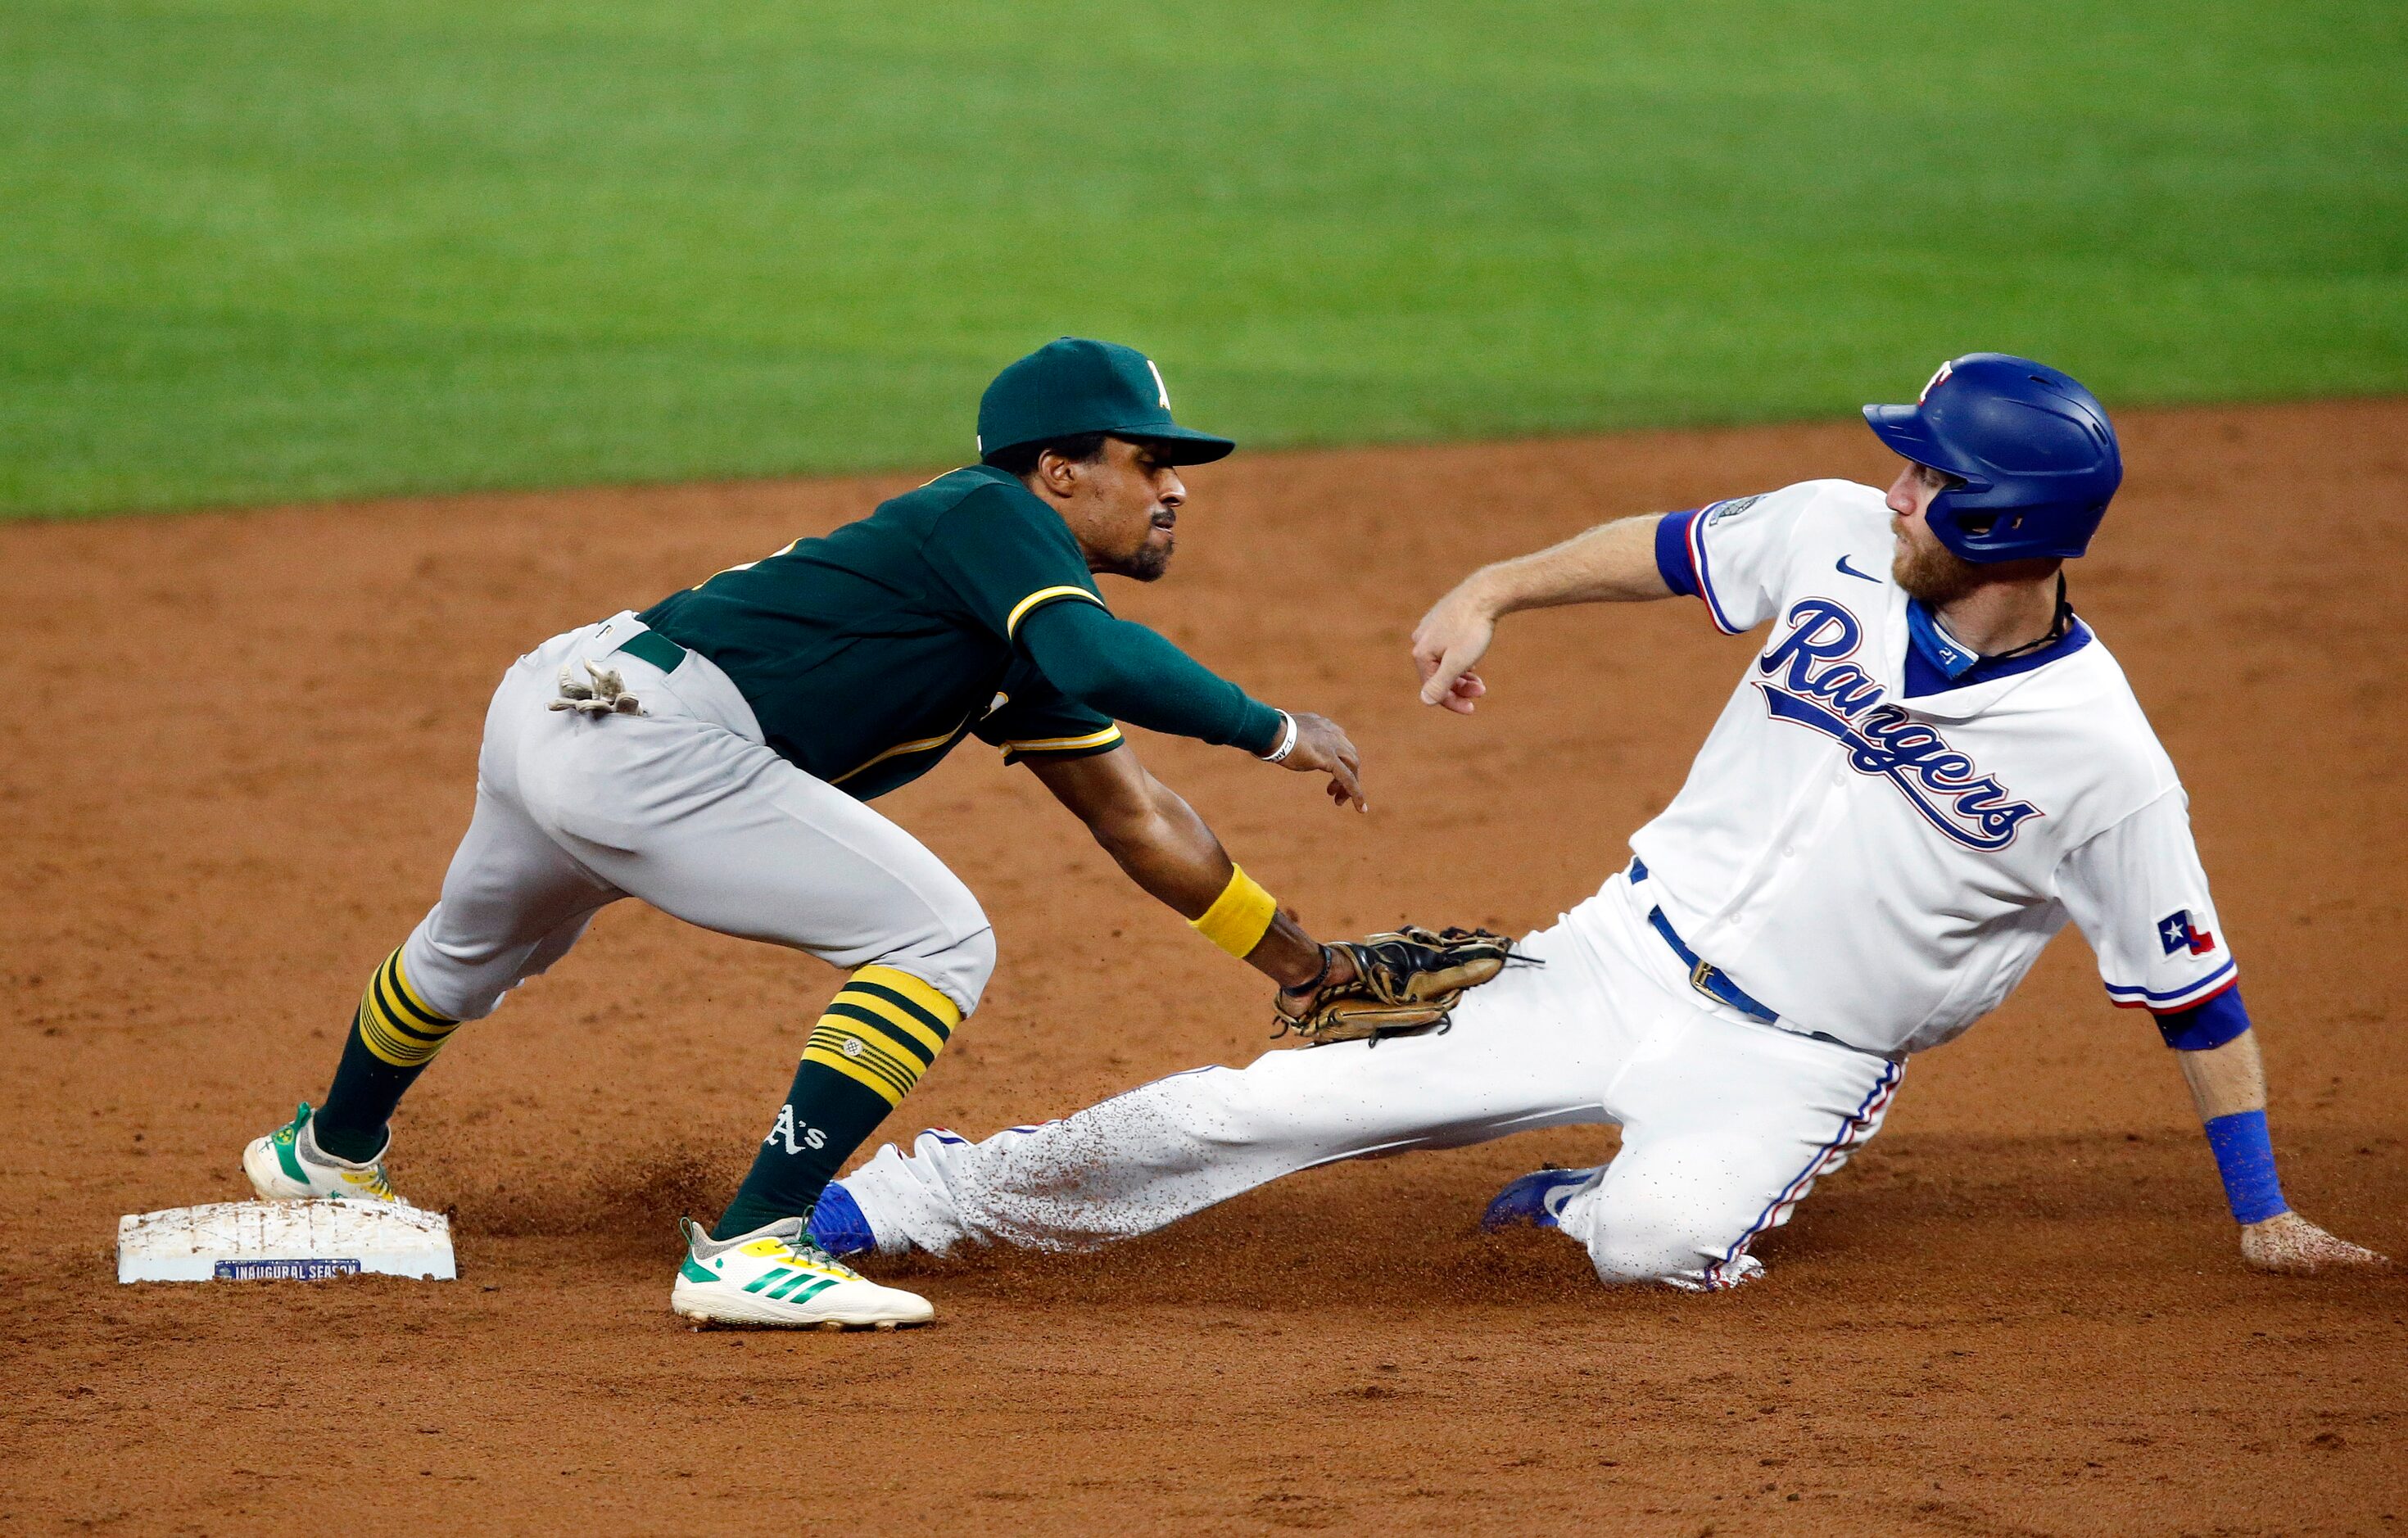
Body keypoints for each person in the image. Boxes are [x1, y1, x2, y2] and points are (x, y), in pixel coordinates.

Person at [806, 354, 2387, 1289]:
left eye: (1922, 476)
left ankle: (1593, 1199)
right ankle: (922, 1196)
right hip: (1620, 956)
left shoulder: (2100, 758)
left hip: (1800, 1058)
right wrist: (1498, 585)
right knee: (1264, 1108)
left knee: (1656, 1251)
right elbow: (1673, 548)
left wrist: (2263, 1212)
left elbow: (2198, 985)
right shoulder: (1833, 538)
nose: (1888, 484)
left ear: (2000, 521)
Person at [240, 337, 1391, 1329]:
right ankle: (752, 1245)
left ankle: (325, 1155)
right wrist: (1274, 728)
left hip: (568, 703)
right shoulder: (991, 515)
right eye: (1151, 461)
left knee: (468, 948)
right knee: (938, 939)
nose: (1176, 488)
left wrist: (1306, 965)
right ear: (1056, 470)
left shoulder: (1004, 610)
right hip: (649, 743)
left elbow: (1136, 814)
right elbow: (1100, 655)